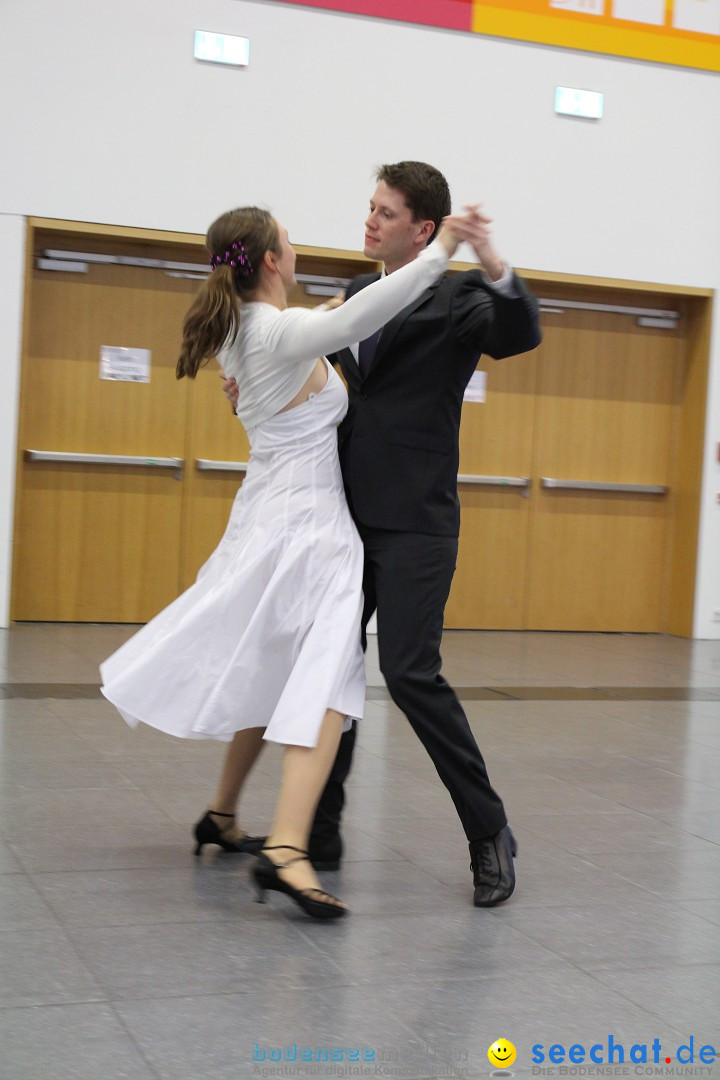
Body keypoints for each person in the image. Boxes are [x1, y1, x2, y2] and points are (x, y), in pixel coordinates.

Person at [100, 203, 471, 920]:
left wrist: (342, 302)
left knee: (274, 669)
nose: (296, 248)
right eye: (291, 241)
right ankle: (289, 850)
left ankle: (222, 814)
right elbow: (355, 321)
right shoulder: (277, 330)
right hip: (309, 532)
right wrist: (439, 252)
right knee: (329, 683)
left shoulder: (246, 326)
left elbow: (329, 317)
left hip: (274, 516)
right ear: (271, 259)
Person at [223, 164, 541, 907]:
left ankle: (488, 832)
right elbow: (318, 379)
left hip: (416, 520)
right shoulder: (360, 296)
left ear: (423, 230)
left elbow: (519, 334)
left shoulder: (459, 292)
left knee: (408, 673)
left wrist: (494, 264)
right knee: (330, 669)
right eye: (369, 208)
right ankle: (320, 830)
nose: (370, 222)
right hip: (342, 515)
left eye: (386, 212)